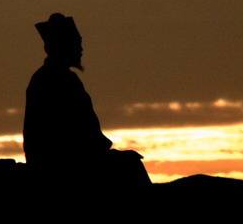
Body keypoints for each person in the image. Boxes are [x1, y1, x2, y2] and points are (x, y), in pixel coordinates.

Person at [23, 12, 151, 189]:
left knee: (128, 161)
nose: (81, 49)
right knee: (130, 165)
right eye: (77, 43)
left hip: (71, 158)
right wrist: (99, 150)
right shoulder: (53, 80)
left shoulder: (58, 78)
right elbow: (71, 132)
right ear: (63, 46)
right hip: (64, 164)